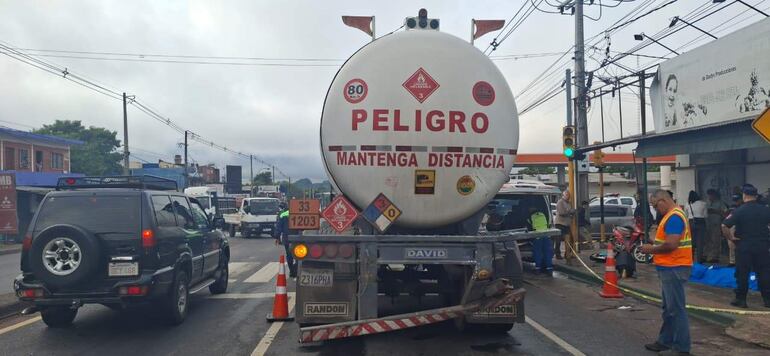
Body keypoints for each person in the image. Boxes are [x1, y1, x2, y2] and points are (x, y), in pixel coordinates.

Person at [641, 190, 693, 355]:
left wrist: (651, 249)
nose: (656, 209)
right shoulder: (672, 215)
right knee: (668, 308)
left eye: (656, 206)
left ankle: (681, 348)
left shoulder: (674, 217)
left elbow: (671, 244)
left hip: (674, 268)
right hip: (669, 267)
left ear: (663, 200)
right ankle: (665, 341)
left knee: (676, 309)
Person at [721, 184, 770, 308]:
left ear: (744, 195)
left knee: (743, 273)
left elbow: (724, 226)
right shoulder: (765, 209)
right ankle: (767, 299)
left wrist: (731, 238)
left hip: (744, 246)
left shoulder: (739, 210)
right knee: (764, 272)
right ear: (755, 196)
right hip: (763, 246)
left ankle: (741, 299)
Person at [527, 206, 553, 276]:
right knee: (547, 253)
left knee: (537, 253)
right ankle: (549, 269)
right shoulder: (543, 214)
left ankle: (538, 269)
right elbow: (548, 224)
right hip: (546, 235)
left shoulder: (531, 216)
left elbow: (529, 227)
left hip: (537, 237)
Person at [684, 190, 707, 263]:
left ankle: (691, 260)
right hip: (701, 223)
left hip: (690, 223)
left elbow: (685, 216)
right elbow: (706, 215)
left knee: (691, 242)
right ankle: (699, 260)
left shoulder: (687, 204)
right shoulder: (703, 204)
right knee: (700, 242)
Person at [274, 203, 296, 277]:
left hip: (287, 238)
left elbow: (279, 227)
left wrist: (277, 237)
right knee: (299, 255)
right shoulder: (299, 213)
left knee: (289, 255)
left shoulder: (283, 214)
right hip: (298, 237)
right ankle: (296, 269)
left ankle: (292, 271)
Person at [704, 189, 727, 264]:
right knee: (707, 241)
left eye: (711, 195)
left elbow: (725, 213)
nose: (709, 196)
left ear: (714, 195)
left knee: (715, 241)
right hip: (707, 224)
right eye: (708, 195)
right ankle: (707, 256)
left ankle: (715, 257)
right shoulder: (706, 203)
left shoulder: (720, 203)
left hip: (716, 224)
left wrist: (715, 211)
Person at [554, 190, 575, 260]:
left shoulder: (569, 203)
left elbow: (572, 212)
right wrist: (570, 212)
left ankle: (567, 254)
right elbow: (561, 212)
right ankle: (558, 254)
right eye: (566, 195)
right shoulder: (560, 202)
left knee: (571, 240)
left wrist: (571, 213)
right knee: (558, 240)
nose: (568, 197)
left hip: (567, 224)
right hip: (560, 224)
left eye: (569, 195)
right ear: (563, 195)